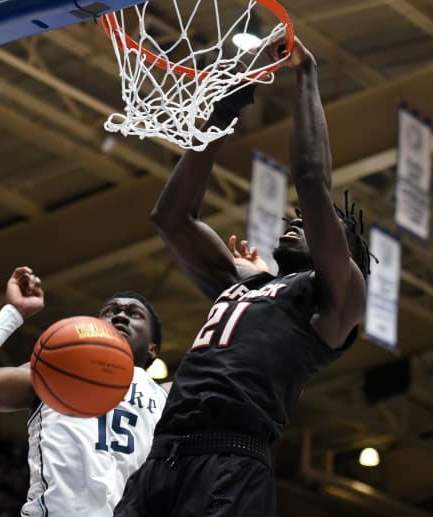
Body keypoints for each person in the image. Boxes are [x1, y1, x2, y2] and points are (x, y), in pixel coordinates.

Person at [114, 37, 373, 517]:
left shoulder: (334, 299)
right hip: (163, 456)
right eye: (296, 217)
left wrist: (307, 73)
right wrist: (226, 108)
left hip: (232, 461)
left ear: (344, 253)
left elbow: (313, 182)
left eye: (318, 222)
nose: (298, 219)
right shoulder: (242, 286)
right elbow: (171, 218)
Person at [0, 266, 168, 517]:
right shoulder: (54, 372)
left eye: (134, 314)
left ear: (153, 348)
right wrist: (14, 313)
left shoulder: (167, 395)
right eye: (110, 312)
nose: (120, 316)